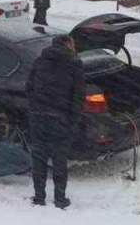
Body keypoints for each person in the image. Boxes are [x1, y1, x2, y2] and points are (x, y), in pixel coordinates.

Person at [26, 34, 84, 209]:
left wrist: (36, 108)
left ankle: (38, 197)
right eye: (73, 45)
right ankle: (59, 198)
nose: (74, 48)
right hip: (60, 119)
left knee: (38, 157)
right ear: (68, 44)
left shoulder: (39, 61)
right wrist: (72, 120)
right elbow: (78, 96)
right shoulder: (74, 64)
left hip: (38, 117)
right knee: (59, 160)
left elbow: (29, 87)